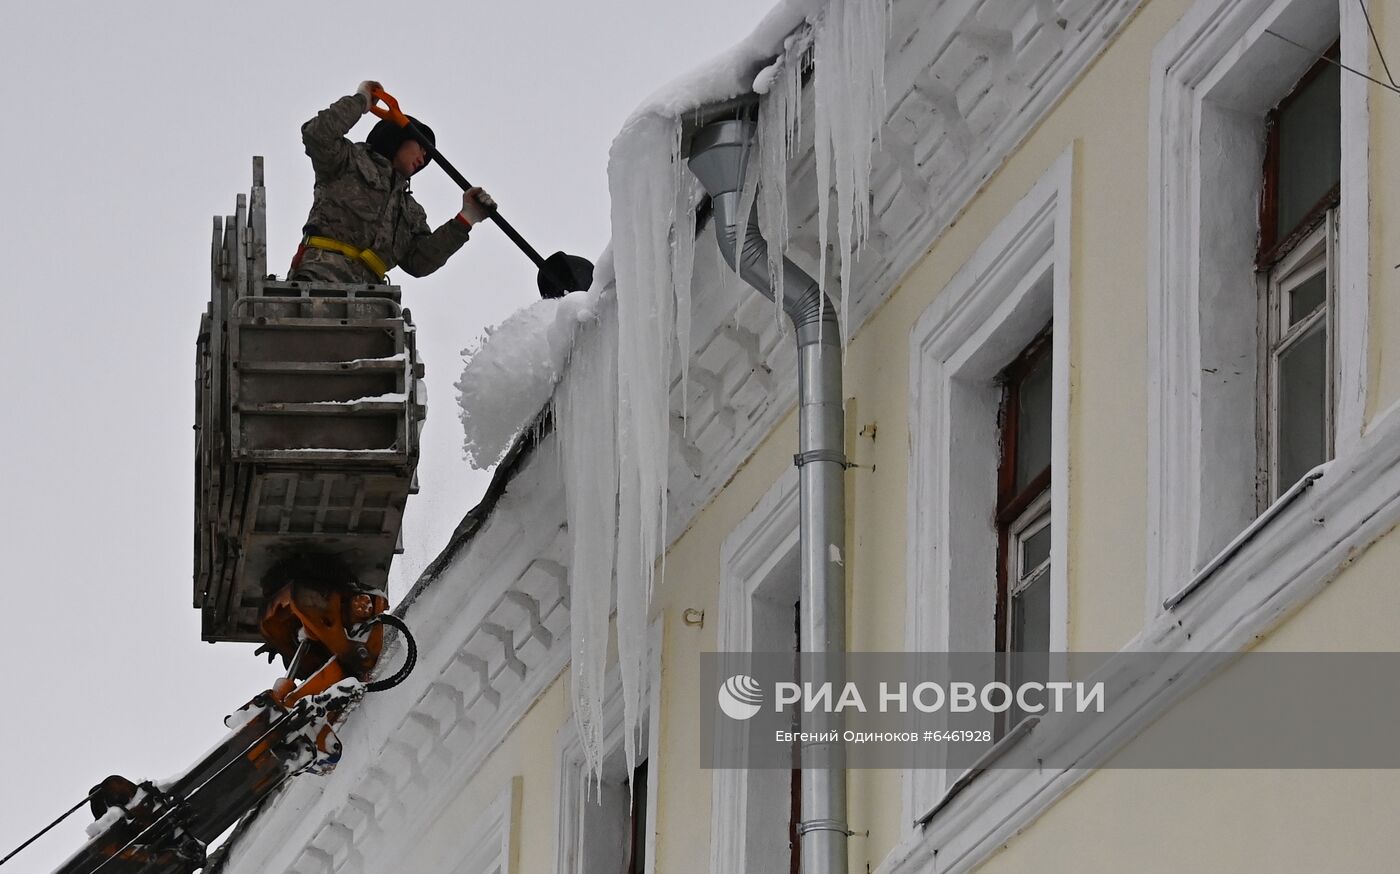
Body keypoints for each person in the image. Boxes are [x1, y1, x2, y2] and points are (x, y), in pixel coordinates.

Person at [289, 80, 496, 284]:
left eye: (427, 156)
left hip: (371, 301)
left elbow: (419, 262)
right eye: (421, 148)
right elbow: (318, 134)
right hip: (319, 278)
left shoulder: (409, 210)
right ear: (398, 137)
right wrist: (362, 101)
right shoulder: (348, 160)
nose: (423, 159)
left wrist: (467, 218)